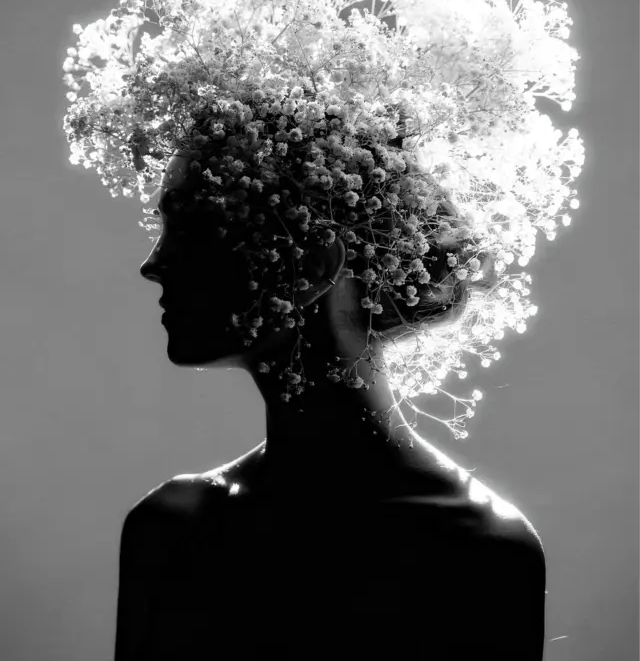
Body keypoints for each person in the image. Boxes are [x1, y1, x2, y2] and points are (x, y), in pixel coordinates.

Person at [114, 151, 547, 660]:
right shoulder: (169, 527)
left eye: (192, 228)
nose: (152, 264)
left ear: (315, 264)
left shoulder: (479, 549)